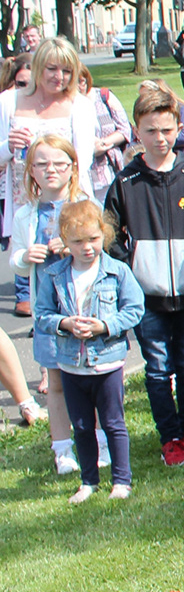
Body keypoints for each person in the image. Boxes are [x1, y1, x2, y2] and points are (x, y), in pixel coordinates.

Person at [103, 81, 184, 469]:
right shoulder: (126, 183)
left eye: (167, 129)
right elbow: (109, 234)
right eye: (151, 130)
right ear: (137, 131)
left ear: (179, 129)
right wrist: (132, 269)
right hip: (147, 297)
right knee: (157, 369)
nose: (160, 138)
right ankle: (169, 437)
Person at [36, 200, 143, 504]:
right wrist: (65, 323)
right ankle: (88, 481)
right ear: (64, 241)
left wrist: (104, 326)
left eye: (93, 239)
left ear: (104, 234)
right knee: (82, 425)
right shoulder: (55, 275)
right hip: (71, 364)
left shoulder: (117, 271)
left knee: (113, 423)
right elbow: (41, 314)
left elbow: (135, 309)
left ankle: (121, 480)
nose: (87, 247)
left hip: (107, 363)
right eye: (77, 241)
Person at [4, 38, 100, 316]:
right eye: (52, 69)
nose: (59, 77)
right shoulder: (9, 101)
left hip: (65, 200)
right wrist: (8, 145)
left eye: (67, 71)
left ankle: (75, 317)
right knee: (31, 262)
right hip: (25, 198)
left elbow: (83, 160)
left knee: (69, 262)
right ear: (38, 68)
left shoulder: (79, 105)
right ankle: (39, 317)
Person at [13, 135, 90, 474]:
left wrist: (73, 246)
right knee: (55, 384)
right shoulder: (25, 214)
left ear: (72, 168)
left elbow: (102, 249)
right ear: (31, 171)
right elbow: (15, 260)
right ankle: (62, 449)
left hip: (84, 310)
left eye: (59, 163)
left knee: (90, 380)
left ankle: (98, 441)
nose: (51, 170)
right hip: (48, 314)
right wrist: (24, 256)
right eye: (42, 164)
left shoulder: (84, 205)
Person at [78, 68, 133, 195]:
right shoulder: (62, 104)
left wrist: (102, 144)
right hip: (83, 175)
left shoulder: (103, 96)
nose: (79, 86)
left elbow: (125, 129)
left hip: (110, 170)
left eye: (81, 81)